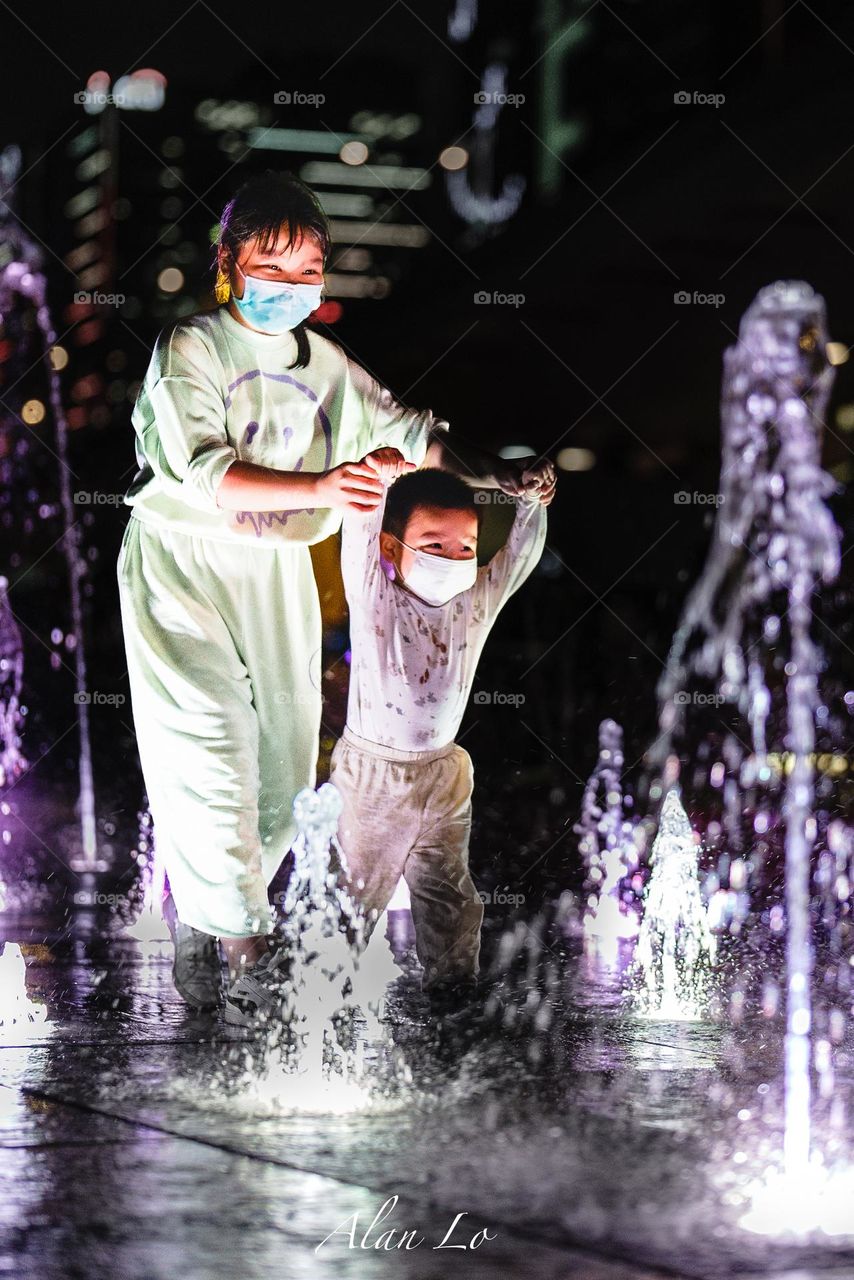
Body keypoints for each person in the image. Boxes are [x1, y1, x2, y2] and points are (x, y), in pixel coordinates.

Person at [116, 169, 554, 1012]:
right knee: (207, 748)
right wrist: (327, 488)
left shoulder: (329, 365)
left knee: (282, 789)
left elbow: (414, 435)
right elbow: (210, 472)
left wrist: (495, 478)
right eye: (269, 266)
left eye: (306, 268)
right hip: (185, 565)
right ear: (229, 261)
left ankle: (205, 913)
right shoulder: (191, 349)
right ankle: (251, 963)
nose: (288, 286)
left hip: (277, 572)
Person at [329, 460, 549, 1005]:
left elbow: (518, 559)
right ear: (390, 547)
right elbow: (358, 525)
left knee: (450, 894)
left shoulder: (473, 605)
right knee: (351, 901)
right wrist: (379, 475)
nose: (452, 559)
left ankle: (453, 990)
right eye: (432, 544)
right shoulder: (374, 595)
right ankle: (321, 994)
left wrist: (531, 505)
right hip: (371, 779)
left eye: (464, 548)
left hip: (444, 774)